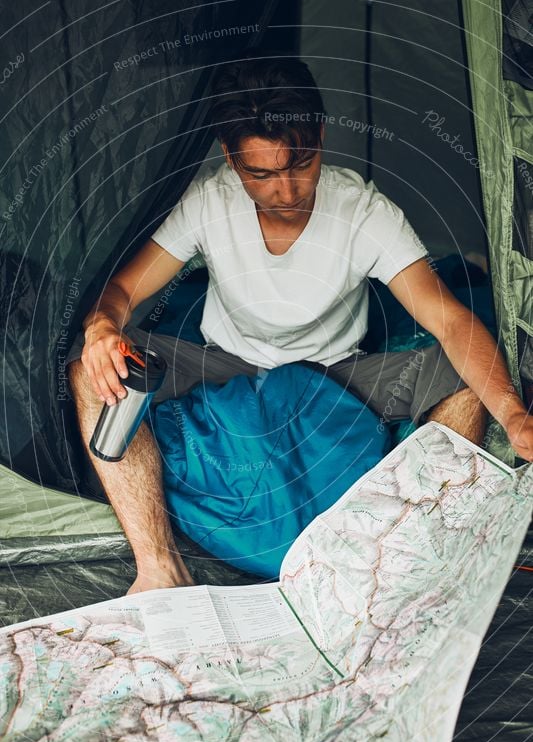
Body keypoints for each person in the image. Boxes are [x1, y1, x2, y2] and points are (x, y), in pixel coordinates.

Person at [66, 57, 533, 595]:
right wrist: (102, 327)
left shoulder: (364, 211)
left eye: (301, 164)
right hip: (227, 364)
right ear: (229, 157)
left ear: (321, 136)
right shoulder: (207, 200)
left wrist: (516, 416)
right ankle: (159, 567)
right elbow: (123, 291)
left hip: (338, 372)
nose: (285, 191)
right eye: (260, 175)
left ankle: (406, 555)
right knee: (91, 371)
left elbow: (449, 320)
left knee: (465, 383)